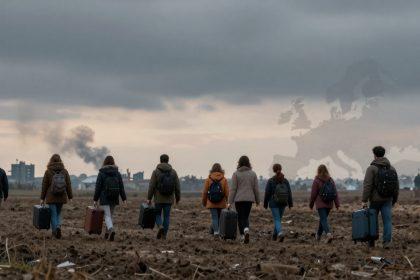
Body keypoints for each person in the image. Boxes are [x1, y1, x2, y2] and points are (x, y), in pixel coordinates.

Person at [362, 146, 399, 249]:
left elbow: (367, 185)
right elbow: (396, 185)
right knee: (387, 221)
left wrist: (364, 200)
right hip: (388, 199)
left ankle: (371, 243)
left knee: (372, 220)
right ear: (383, 154)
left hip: (374, 200)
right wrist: (394, 199)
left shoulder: (371, 168)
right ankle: (387, 242)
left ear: (374, 155)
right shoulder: (392, 168)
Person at [93, 156, 127, 241]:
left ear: (104, 162)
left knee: (107, 216)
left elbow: (98, 187)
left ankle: (111, 230)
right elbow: (121, 187)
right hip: (114, 197)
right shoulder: (117, 173)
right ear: (113, 162)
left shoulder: (101, 173)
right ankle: (107, 233)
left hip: (104, 197)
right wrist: (124, 199)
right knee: (110, 216)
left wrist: (95, 199)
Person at [228, 155, 260, 244]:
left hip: (239, 199)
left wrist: (229, 202)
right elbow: (256, 189)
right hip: (249, 199)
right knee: (246, 217)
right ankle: (246, 230)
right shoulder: (253, 174)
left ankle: (243, 235)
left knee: (240, 217)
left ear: (239, 163)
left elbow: (233, 189)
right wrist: (257, 200)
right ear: (248, 163)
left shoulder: (236, 174)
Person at [147, 154, 181, 240]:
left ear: (160, 160)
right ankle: (164, 235)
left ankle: (160, 226)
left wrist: (149, 198)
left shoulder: (156, 172)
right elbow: (177, 186)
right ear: (168, 160)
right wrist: (178, 198)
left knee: (157, 214)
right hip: (169, 199)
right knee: (167, 216)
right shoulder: (173, 172)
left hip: (158, 198)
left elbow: (152, 186)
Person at [40, 154, 73, 239]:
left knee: (53, 214)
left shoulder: (48, 171)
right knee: (58, 214)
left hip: (51, 197)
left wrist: (42, 198)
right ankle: (58, 227)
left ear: (50, 161)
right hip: (62, 196)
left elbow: (44, 185)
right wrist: (70, 197)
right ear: (60, 161)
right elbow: (68, 184)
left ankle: (55, 230)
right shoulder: (64, 171)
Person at [309, 164, 340, 243]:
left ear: (318, 171)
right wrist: (337, 204)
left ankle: (328, 234)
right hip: (329, 203)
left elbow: (313, 194)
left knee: (323, 219)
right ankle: (318, 236)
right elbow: (335, 193)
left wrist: (311, 205)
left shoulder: (317, 180)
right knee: (323, 219)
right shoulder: (330, 180)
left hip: (320, 204)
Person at [264, 163, 293, 242]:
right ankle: (274, 235)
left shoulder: (271, 181)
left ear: (273, 170)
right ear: (281, 169)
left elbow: (267, 193)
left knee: (277, 219)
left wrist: (265, 203)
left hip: (274, 203)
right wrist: (290, 204)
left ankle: (280, 233)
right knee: (278, 219)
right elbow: (289, 192)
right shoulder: (285, 181)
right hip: (283, 202)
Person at [201, 163, 229, 238]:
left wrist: (204, 202)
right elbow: (227, 192)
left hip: (211, 202)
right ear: (220, 169)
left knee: (214, 218)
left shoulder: (208, 179)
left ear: (212, 169)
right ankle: (220, 232)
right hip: (221, 202)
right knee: (220, 218)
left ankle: (216, 232)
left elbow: (205, 192)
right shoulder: (224, 179)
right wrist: (228, 202)